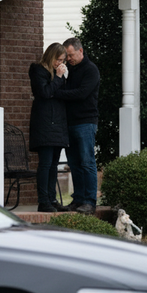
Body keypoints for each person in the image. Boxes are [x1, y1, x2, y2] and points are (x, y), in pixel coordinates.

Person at [54, 37, 100, 215]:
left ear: (80, 51)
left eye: (71, 55)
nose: (68, 59)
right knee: (74, 163)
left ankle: (90, 201)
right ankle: (78, 199)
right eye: (67, 56)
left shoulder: (91, 70)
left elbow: (81, 94)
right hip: (70, 123)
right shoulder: (70, 70)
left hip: (86, 122)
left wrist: (59, 93)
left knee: (87, 162)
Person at [28, 43, 68, 213]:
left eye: (62, 60)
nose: (60, 63)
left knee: (54, 165)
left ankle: (52, 199)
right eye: (58, 59)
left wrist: (60, 79)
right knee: (45, 164)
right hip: (44, 123)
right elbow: (44, 93)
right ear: (50, 56)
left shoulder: (58, 74)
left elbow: (60, 93)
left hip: (58, 123)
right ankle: (43, 201)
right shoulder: (38, 70)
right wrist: (58, 79)